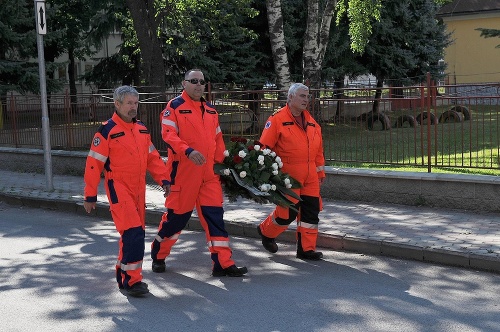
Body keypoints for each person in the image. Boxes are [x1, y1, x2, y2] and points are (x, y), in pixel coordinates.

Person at [150, 69, 248, 277]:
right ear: (184, 84)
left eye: (202, 82)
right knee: (176, 220)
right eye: (193, 81)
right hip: (183, 174)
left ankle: (223, 263)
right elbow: (168, 135)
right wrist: (188, 150)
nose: (198, 85)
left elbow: (218, 140)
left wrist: (222, 165)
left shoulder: (211, 111)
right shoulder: (174, 107)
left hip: (209, 175)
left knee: (215, 218)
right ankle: (158, 254)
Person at [83, 86, 170, 297]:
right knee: (132, 232)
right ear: (117, 104)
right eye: (129, 103)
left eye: (136, 103)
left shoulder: (141, 129)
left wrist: (165, 180)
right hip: (118, 186)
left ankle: (125, 275)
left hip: (139, 187)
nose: (134, 107)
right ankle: (132, 281)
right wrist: (90, 195)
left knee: (135, 233)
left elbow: (152, 158)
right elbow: (94, 164)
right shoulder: (106, 131)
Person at [256, 83, 326, 260]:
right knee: (288, 213)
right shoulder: (277, 119)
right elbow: (264, 148)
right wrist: (268, 174)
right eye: (302, 96)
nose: (306, 99)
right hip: (288, 175)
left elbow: (318, 151)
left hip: (310, 174)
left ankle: (306, 249)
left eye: (308, 96)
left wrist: (320, 173)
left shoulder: (311, 122)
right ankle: (266, 231)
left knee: (311, 212)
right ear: (291, 97)